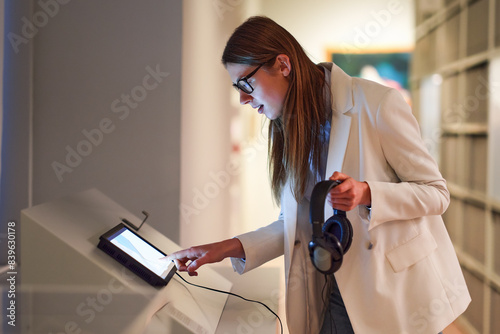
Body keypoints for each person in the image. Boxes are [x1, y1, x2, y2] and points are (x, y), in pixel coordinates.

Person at [163, 16, 471, 334]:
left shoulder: (378, 104)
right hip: (332, 281)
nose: (242, 98)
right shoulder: (286, 126)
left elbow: (436, 192)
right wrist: (226, 248)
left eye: (245, 83)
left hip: (394, 286)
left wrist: (367, 193)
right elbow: (293, 223)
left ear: (283, 65)